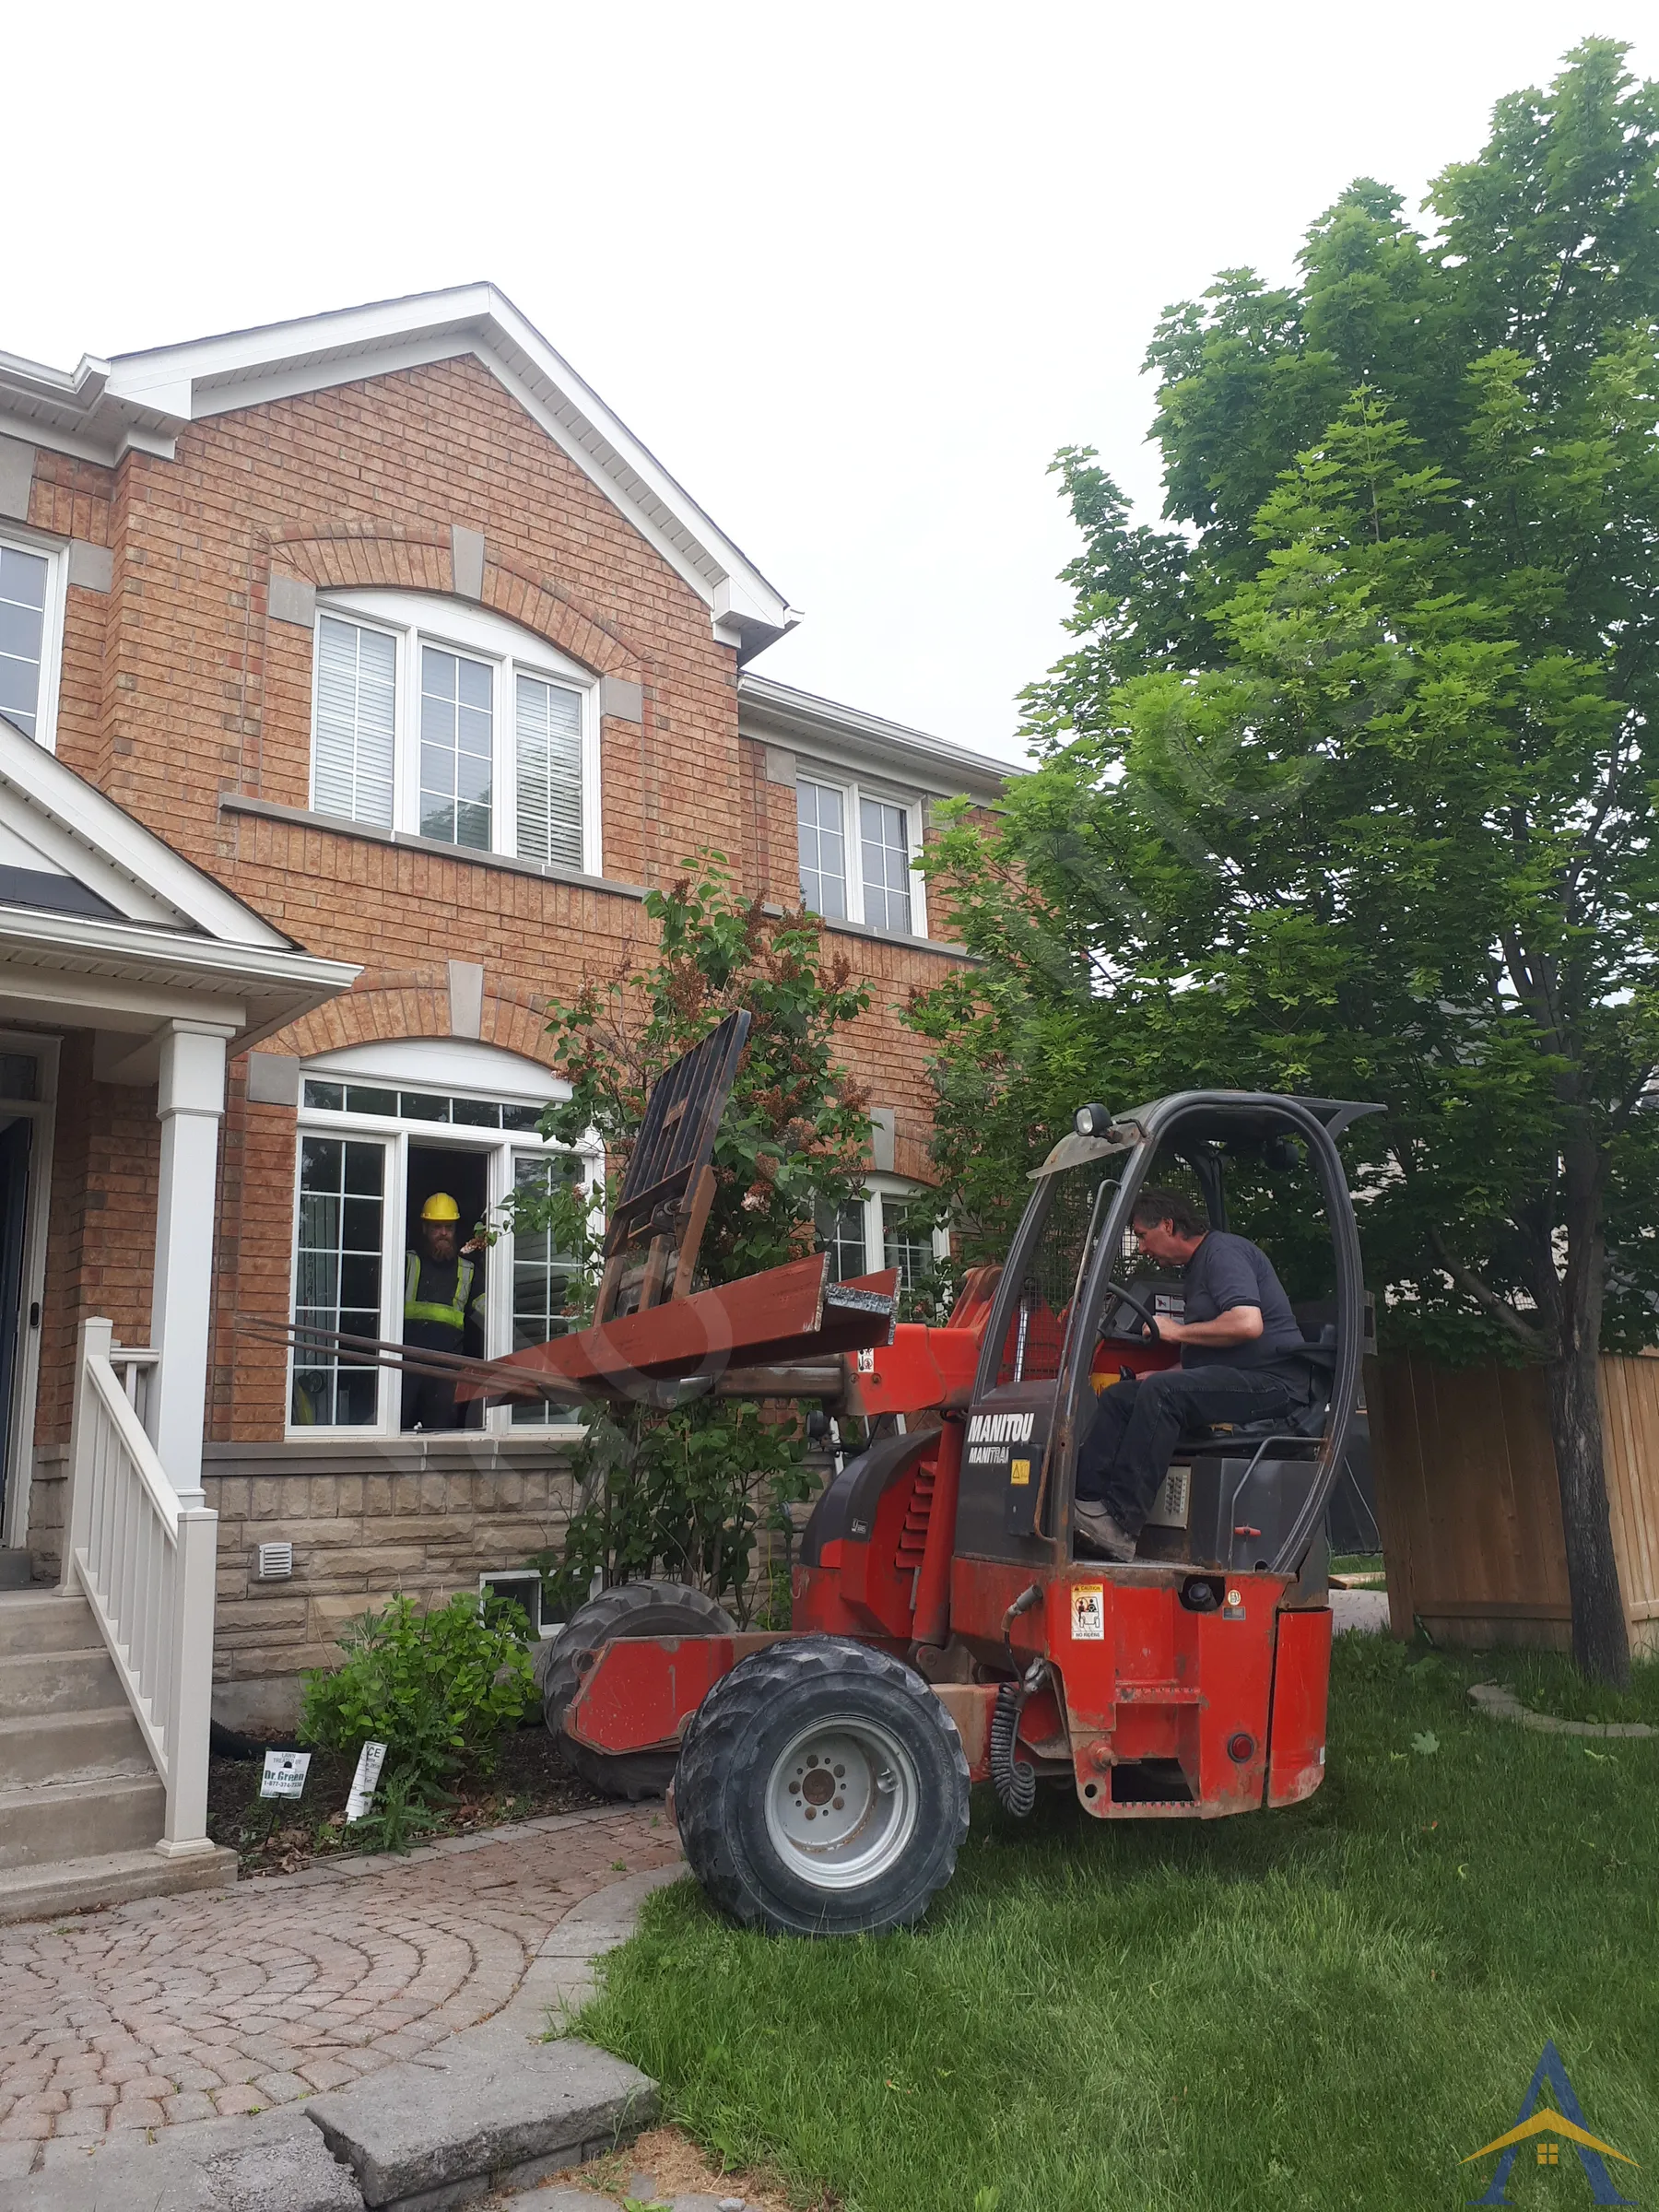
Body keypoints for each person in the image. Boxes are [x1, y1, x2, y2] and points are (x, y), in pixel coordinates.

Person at [1073, 1187, 1310, 1561]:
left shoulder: (1223, 1254)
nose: (1141, 1248)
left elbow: (1247, 1324)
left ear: (1168, 1226)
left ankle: (1120, 1524)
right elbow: (1210, 1353)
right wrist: (1164, 1372)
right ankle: (1086, 1506)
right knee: (1122, 1395)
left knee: (1164, 1393)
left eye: (1142, 1236)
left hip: (1274, 1383)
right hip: (1238, 1376)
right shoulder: (1196, 1268)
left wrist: (1177, 1333)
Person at [400, 1192, 486, 1430]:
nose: (443, 1233)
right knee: (397, 1430)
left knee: (442, 1435)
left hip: (446, 1374)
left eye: (448, 1227)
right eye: (436, 1227)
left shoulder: (469, 1272)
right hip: (405, 1368)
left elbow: (490, 1317)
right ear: (425, 1229)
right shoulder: (406, 1264)